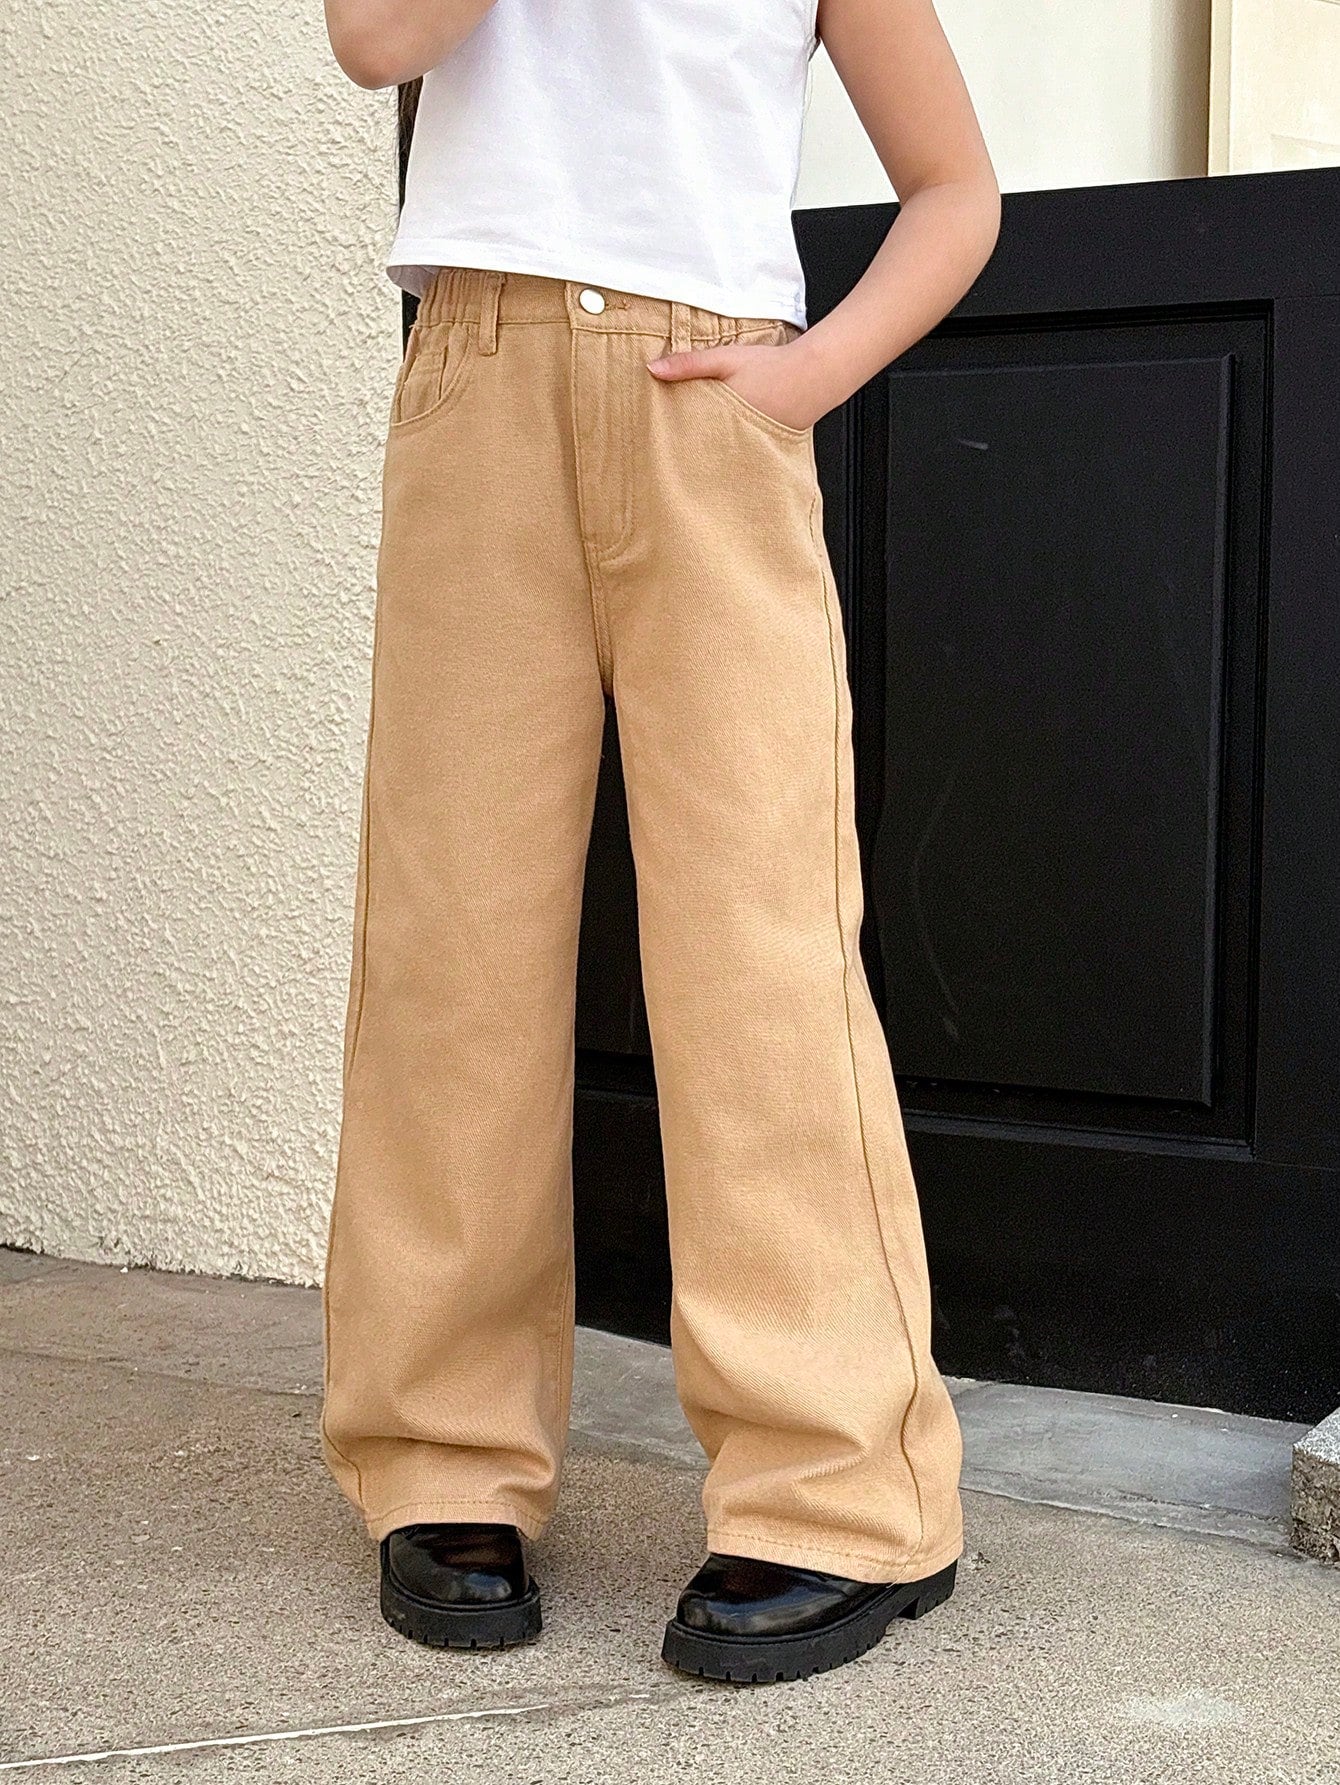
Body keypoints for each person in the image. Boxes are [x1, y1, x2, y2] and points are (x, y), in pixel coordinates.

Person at [319, 0, 1000, 1687]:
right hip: (480, 377)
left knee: (759, 952)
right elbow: (373, 38)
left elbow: (954, 190)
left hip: (713, 401)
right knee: (453, 943)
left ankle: (842, 1484)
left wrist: (803, 380)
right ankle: (445, 1454)